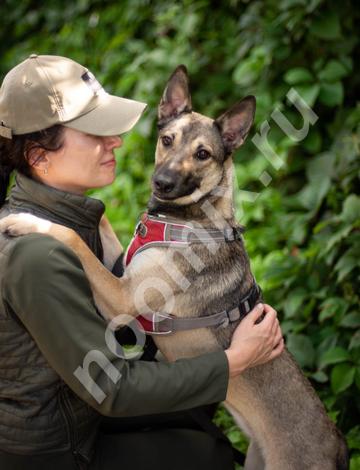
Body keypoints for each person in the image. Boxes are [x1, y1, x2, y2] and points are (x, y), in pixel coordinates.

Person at [0, 54, 284, 470]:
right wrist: (233, 360)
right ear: (40, 156)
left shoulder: (69, 216)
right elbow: (109, 387)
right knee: (209, 455)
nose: (115, 141)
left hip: (75, 403)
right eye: (94, 131)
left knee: (196, 414)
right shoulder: (36, 252)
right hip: (56, 449)